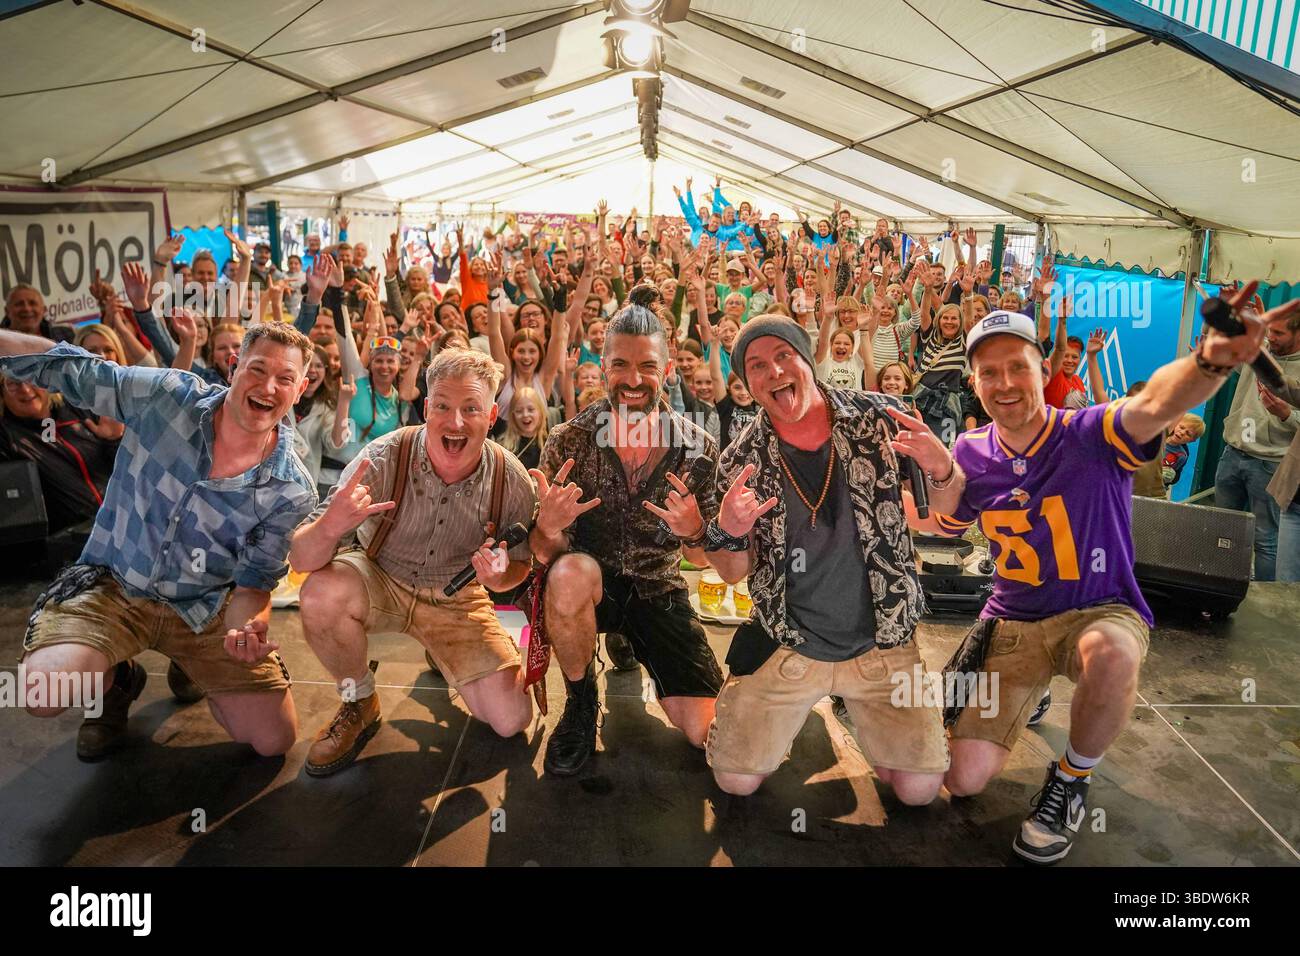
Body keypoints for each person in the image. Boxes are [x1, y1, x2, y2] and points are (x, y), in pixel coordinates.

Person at [931, 296, 1273, 864]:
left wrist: (1210, 363)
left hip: (1099, 605)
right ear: (974, 382)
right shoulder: (970, 449)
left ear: (1046, 369)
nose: (1005, 382)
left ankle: (1071, 779)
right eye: (989, 372)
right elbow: (944, 522)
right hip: (1013, 618)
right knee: (961, 782)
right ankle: (1031, 690)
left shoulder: (1092, 430)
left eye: (1018, 365)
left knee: (1111, 653)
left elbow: (1158, 402)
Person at [0, 321, 317, 759]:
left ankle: (192, 665)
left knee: (273, 741)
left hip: (201, 605)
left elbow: (254, 583)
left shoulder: (292, 488)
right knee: (43, 693)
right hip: (113, 583)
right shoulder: (167, 396)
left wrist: (247, 628)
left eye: (285, 379)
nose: (268, 386)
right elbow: (74, 368)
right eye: (257, 369)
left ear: (299, 390)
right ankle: (117, 680)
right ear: (233, 367)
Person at [693, 315, 957, 803]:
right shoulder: (740, 459)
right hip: (790, 642)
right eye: (756, 366)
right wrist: (729, 529)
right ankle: (782, 716)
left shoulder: (880, 419)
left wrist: (942, 468)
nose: (773, 372)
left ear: (806, 360)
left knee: (919, 791)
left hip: (882, 641)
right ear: (746, 384)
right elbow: (730, 571)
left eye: (782, 357)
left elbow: (939, 517)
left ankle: (858, 712)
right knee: (736, 780)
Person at [289, 348, 538, 776]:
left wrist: (498, 579)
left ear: (492, 414)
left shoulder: (511, 479)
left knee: (511, 720)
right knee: (320, 594)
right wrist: (331, 526)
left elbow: (519, 567)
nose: (455, 422)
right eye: (442, 405)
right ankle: (359, 700)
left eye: (470, 408)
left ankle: (442, 654)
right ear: (426, 408)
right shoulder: (382, 456)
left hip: (456, 597)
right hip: (379, 577)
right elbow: (301, 556)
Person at [529, 304, 723, 776]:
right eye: (620, 364)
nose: (632, 379)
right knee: (570, 572)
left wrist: (695, 529)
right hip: (593, 586)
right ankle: (579, 702)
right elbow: (544, 556)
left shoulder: (697, 447)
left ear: (669, 370)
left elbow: (703, 556)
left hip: (660, 589)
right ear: (603, 363)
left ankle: (632, 642)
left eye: (647, 366)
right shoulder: (568, 440)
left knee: (707, 735)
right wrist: (549, 526)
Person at [1214, 291, 1300, 581]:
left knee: (1266, 541)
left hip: (1270, 465)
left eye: (1278, 333)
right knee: (1221, 534)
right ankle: (1216, 592)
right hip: (1233, 454)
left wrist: (1287, 415)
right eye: (1269, 331)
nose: (1271, 337)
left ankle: (1263, 608)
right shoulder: (1257, 350)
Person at [0, 373, 120, 532]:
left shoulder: (78, 410)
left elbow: (128, 473)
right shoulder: (7, 437)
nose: (26, 389)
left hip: (123, 523)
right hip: (73, 543)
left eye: (32, 378)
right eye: (13, 384)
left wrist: (114, 440)